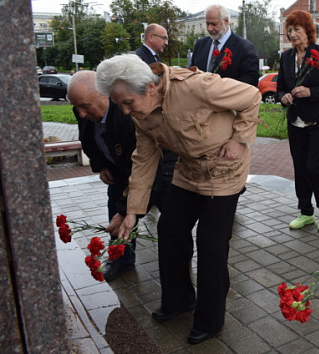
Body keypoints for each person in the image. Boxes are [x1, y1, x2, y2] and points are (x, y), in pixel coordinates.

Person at [96, 54, 261, 345]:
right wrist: (133, 212)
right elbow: (144, 160)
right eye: (118, 104)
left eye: (127, 103)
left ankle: (211, 319)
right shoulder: (141, 114)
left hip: (224, 170)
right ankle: (179, 299)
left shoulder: (198, 87)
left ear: (149, 87)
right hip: (186, 170)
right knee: (169, 230)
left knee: (211, 243)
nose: (124, 111)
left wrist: (239, 138)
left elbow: (251, 95)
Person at [67, 71, 137, 281]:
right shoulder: (83, 109)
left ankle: (178, 260)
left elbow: (141, 164)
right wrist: (101, 166)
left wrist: (129, 207)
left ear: (104, 96)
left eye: (85, 106)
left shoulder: (126, 115)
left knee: (168, 218)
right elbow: (87, 140)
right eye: (76, 106)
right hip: (116, 172)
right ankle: (121, 259)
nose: (80, 113)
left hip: (144, 172)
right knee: (115, 216)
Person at [276, 10, 319, 232]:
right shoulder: (286, 57)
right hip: (296, 121)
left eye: (297, 29)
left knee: (314, 168)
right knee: (300, 168)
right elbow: (280, 88)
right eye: (289, 30)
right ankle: (305, 212)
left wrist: (310, 92)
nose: (292, 34)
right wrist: (283, 97)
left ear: (308, 31)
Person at [134, 23, 178, 214]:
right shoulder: (139, 60)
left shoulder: (153, 58)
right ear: (151, 37)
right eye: (164, 38)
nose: (166, 42)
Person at [189, 4, 259, 87]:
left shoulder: (245, 48)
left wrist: (219, 87)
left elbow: (250, 81)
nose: (209, 29)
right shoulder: (200, 44)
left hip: (229, 98)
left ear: (226, 21)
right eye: (207, 24)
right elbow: (191, 72)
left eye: (214, 24)